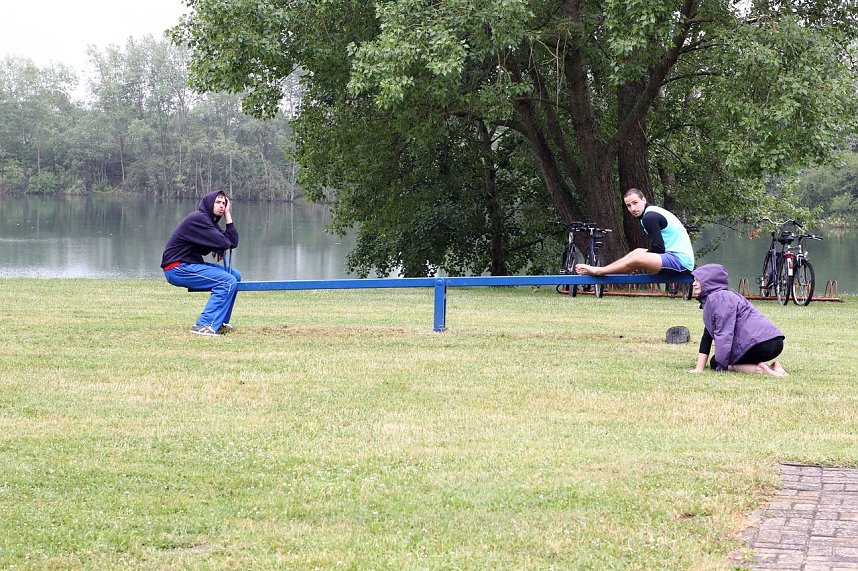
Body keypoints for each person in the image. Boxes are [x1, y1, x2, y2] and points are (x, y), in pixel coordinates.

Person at [161, 190, 241, 336]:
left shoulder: (209, 222)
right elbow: (224, 243)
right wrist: (220, 246)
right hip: (177, 267)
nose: (221, 206)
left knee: (235, 275)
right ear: (209, 203)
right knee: (227, 281)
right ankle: (204, 324)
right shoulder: (199, 218)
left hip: (189, 265)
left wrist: (227, 214)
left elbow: (232, 242)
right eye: (218, 202)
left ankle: (220, 322)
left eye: (224, 203)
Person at [689, 263, 787, 376]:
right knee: (719, 359)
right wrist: (699, 368)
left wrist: (721, 366)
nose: (694, 284)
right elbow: (707, 336)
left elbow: (724, 334)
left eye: (698, 280)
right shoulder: (726, 296)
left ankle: (760, 369)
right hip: (775, 341)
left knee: (716, 362)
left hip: (759, 344)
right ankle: (773, 367)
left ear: (709, 281)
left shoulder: (718, 299)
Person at [575, 187, 694, 275]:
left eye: (635, 203)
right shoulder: (651, 212)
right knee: (636, 252)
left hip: (681, 262)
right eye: (628, 205)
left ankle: (599, 271)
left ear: (644, 200)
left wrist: (635, 262)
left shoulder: (649, 217)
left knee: (637, 258)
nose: (633, 208)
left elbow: (658, 248)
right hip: (672, 256)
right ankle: (605, 269)